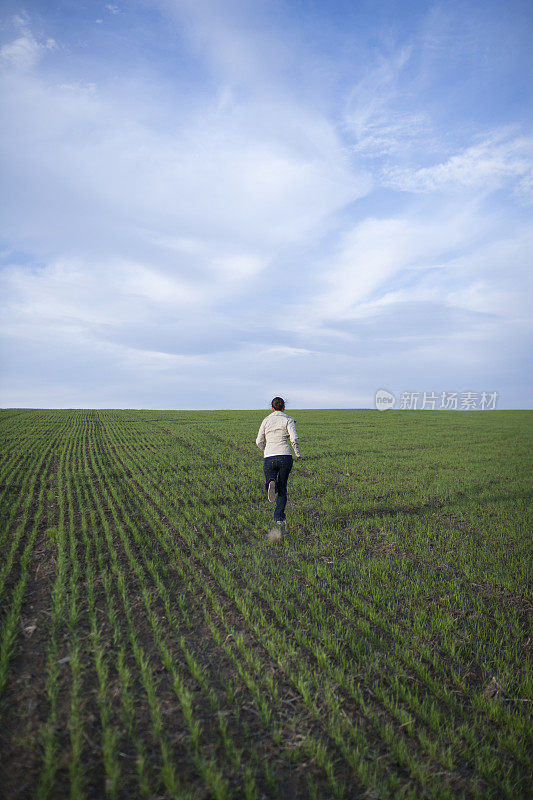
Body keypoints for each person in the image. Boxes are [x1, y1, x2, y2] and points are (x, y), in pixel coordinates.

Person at [255, 397, 302, 525]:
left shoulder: (266, 420)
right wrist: (298, 454)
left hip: (269, 456)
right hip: (285, 456)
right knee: (282, 487)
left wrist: (266, 450)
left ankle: (271, 481)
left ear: (272, 408)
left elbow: (258, 441)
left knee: (271, 478)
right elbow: (294, 438)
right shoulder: (288, 419)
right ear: (284, 407)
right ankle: (279, 518)